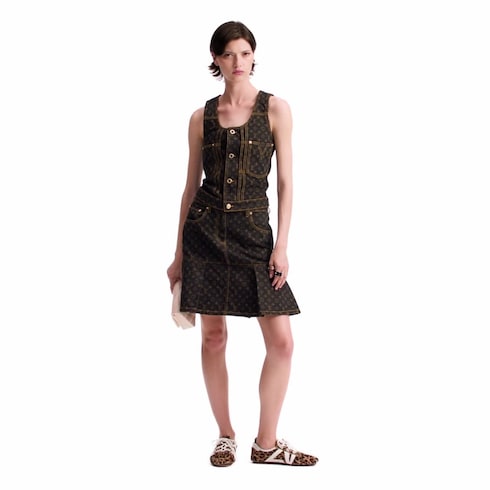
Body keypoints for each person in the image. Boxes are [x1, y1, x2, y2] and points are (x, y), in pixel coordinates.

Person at [167, 20, 318, 467]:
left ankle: (266, 443)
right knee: (213, 337)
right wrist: (178, 255)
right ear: (215, 59)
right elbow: (190, 188)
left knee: (282, 342)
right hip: (205, 233)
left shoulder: (276, 109)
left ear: (254, 56)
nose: (238, 62)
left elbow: (287, 183)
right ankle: (226, 436)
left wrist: (281, 246)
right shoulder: (200, 118)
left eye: (245, 53)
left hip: (255, 236)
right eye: (229, 54)